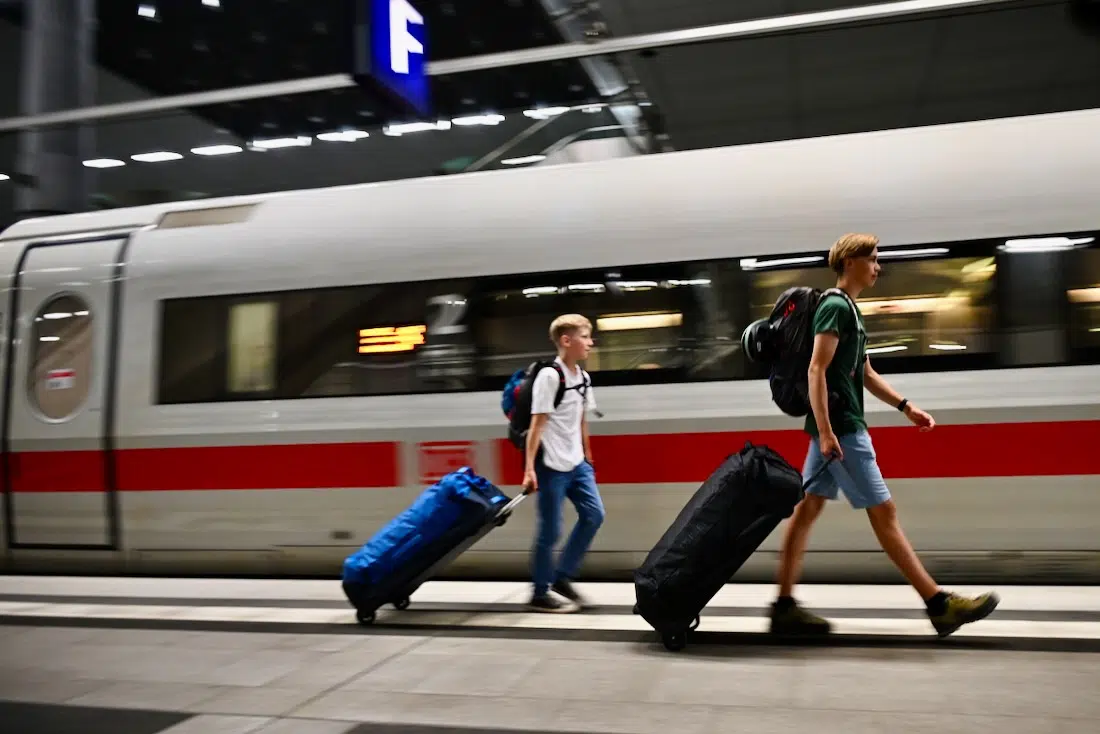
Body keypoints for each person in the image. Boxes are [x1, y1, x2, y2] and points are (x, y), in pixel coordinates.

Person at [769, 233, 1000, 638]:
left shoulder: (851, 312)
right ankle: (939, 605)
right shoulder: (836, 307)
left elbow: (866, 374)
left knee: (806, 512)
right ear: (852, 262)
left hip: (836, 429)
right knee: (885, 515)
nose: (878, 267)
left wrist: (906, 407)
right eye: (873, 260)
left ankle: (784, 607)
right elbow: (816, 370)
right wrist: (826, 432)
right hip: (842, 431)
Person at [522, 313, 605, 613]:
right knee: (551, 530)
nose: (590, 343)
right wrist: (529, 469)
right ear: (566, 341)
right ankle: (539, 592)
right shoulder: (550, 376)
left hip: (577, 464)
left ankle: (562, 576)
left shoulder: (583, 377)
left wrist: (589, 458)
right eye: (584, 336)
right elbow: (537, 424)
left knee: (594, 515)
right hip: (552, 465)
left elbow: (581, 420)